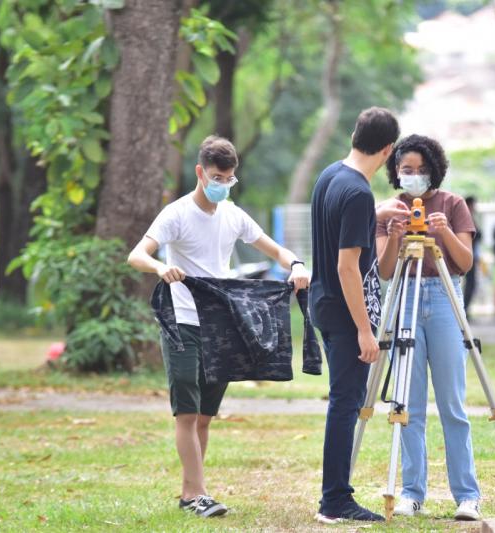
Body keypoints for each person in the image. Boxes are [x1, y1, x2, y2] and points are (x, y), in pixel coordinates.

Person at [127, 135, 311, 517]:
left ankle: (189, 494)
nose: (222, 185)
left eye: (228, 179)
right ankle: (199, 494)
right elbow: (137, 254)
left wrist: (295, 265)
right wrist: (162, 267)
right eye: (216, 177)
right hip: (182, 322)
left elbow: (276, 250)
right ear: (200, 172)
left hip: (221, 326)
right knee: (188, 413)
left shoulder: (234, 216)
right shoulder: (176, 214)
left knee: (206, 417)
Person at [309, 107, 409, 524]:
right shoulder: (357, 193)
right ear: (387, 150)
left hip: (324, 303)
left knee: (343, 402)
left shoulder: (332, 176)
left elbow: (340, 235)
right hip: (346, 312)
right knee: (345, 404)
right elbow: (347, 266)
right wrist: (365, 332)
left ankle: (335, 495)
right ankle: (335, 500)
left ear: (355, 134)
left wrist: (375, 217)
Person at [377, 134, 482, 521]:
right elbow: (386, 270)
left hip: (443, 296)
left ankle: (467, 494)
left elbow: (465, 262)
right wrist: (392, 237)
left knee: (453, 403)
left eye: (421, 170)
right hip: (405, 293)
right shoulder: (389, 209)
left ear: (434, 169)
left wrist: (444, 232)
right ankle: (411, 492)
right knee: (409, 403)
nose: (414, 177)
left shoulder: (452, 204)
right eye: (407, 170)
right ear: (396, 172)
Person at [462, 195, 482, 321]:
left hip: (472, 254)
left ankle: (465, 310)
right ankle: (463, 311)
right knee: (470, 284)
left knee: (471, 284)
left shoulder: (470, 217)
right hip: (467, 255)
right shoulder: (465, 218)